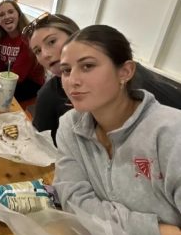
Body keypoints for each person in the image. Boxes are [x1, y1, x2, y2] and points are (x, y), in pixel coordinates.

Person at [53, 25, 181, 235]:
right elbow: (75, 204)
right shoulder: (70, 126)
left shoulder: (170, 134)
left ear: (125, 72)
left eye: (88, 66)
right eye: (66, 70)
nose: (73, 81)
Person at [25, 12, 181, 142]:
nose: (45, 54)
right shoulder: (51, 99)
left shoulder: (141, 88)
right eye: (37, 51)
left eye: (52, 41)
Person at [0, 0, 45, 101]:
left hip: (28, 84)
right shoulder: (1, 39)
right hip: (8, 78)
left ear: (19, 14)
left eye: (10, 12)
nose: (6, 16)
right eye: (1, 15)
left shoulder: (28, 40)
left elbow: (17, 77)